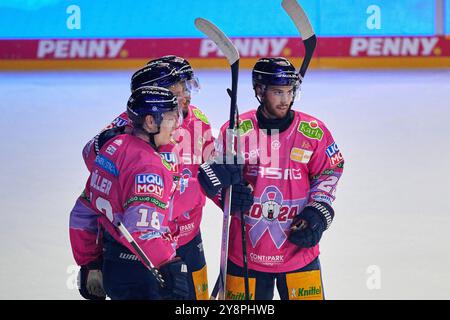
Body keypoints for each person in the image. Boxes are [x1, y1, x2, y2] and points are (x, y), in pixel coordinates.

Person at [214, 57, 345, 300]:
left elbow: (330, 170)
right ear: (259, 91)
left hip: (298, 251)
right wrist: (228, 195)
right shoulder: (236, 130)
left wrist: (318, 210)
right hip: (246, 254)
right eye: (277, 92)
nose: (286, 99)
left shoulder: (313, 131)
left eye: (289, 91)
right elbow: (213, 177)